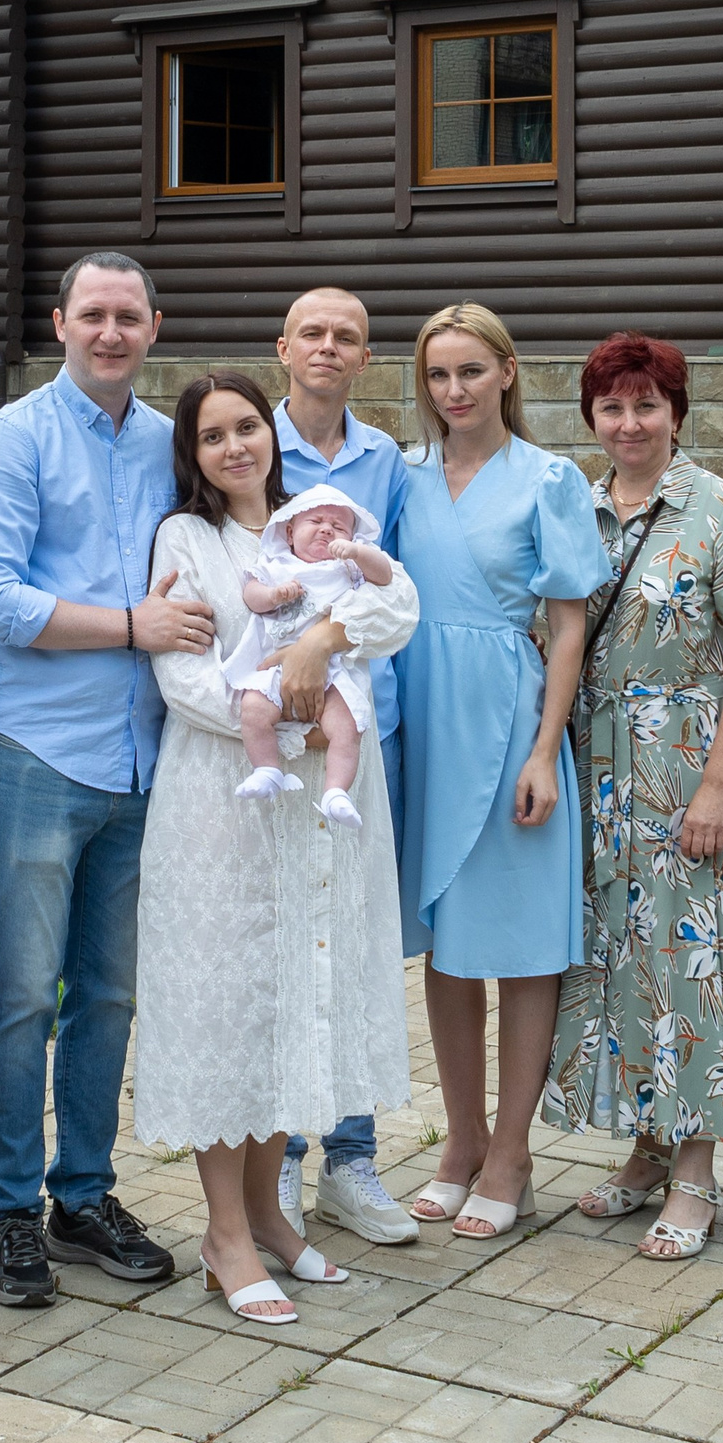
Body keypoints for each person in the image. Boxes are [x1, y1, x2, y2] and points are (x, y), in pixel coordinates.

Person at [133, 371, 420, 1325]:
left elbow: (398, 611)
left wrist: (320, 638)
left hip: (321, 813)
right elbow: (186, 679)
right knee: (228, 1008)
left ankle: (269, 1214)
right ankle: (222, 1235)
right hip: (226, 799)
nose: (234, 448)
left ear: (272, 433)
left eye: (247, 427)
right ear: (194, 453)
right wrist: (295, 724)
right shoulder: (187, 539)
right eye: (212, 436)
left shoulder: (318, 522)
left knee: (289, 999)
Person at [0, 251, 212, 1308]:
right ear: (59, 322)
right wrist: (126, 627)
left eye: (129, 316)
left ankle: (83, 1194)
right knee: (20, 995)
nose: (110, 332)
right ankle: (11, 1209)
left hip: (145, 757)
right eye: (92, 314)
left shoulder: (170, 445)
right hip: (39, 754)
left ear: (155, 326)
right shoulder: (11, 439)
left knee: (106, 994)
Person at [542, 332, 723, 1262]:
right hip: (597, 769)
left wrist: (722, 785)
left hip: (688, 764)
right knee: (617, 965)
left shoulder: (719, 507)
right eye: (612, 407)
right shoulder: (575, 506)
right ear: (592, 417)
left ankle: (697, 1172)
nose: (630, 422)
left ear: (676, 413)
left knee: (697, 968)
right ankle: (646, 1148)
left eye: (648, 405)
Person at [390, 303, 609, 1240]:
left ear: (507, 372)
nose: (454, 391)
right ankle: (462, 1140)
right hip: (421, 720)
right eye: (438, 375)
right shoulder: (399, 476)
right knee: (444, 937)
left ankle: (514, 1149)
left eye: (471, 372)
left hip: (510, 717)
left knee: (518, 946)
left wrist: (544, 750)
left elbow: (568, 625)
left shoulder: (547, 479)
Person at [270, 287, 419, 1247]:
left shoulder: (388, 464)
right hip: (279, 727)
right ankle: (277, 1160)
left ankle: (351, 1162)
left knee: (358, 943)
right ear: (283, 348)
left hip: (367, 729)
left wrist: (331, 643)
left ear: (366, 357)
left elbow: (394, 587)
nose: (329, 347)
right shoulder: (247, 439)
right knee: (287, 942)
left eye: (348, 337)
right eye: (313, 333)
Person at [222, 484, 395, 825]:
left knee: (347, 726)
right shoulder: (276, 564)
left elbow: (386, 576)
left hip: (334, 668)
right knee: (254, 709)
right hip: (274, 664)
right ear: (289, 531)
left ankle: (336, 791)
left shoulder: (347, 568)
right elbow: (251, 595)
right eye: (315, 521)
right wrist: (273, 595)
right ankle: (266, 769)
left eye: (339, 526)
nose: (327, 529)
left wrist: (358, 552)